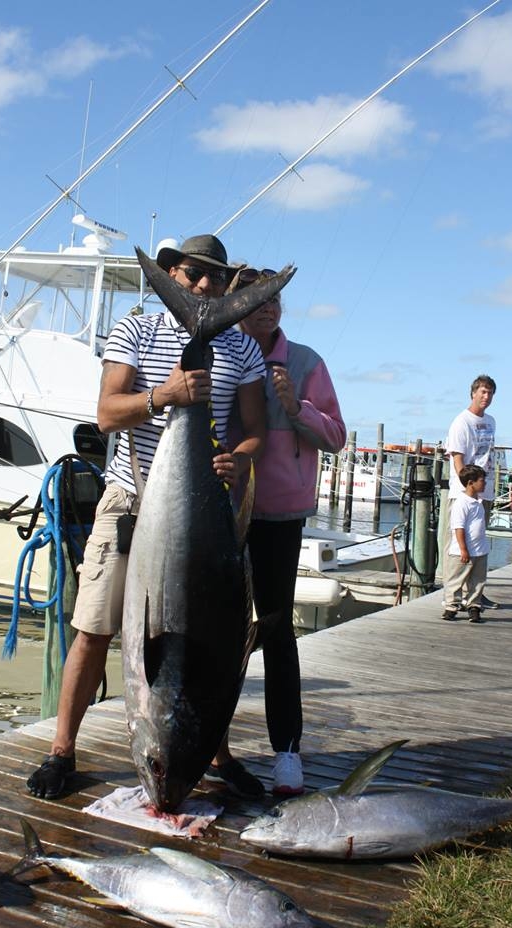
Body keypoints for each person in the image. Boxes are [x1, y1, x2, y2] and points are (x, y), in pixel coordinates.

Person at [27, 234, 267, 800]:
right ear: (172, 275)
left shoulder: (244, 349)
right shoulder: (136, 330)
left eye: (214, 278)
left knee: (214, 640)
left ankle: (214, 753)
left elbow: (256, 431)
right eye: (192, 276)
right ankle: (62, 750)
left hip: (207, 509)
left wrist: (241, 457)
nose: (203, 286)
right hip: (129, 499)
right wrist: (164, 397)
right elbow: (108, 413)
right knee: (93, 628)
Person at [230, 265, 346, 795]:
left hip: (278, 516)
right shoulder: (223, 352)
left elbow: (337, 436)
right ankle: (211, 747)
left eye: (275, 300)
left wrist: (296, 405)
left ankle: (287, 752)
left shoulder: (305, 362)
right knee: (219, 632)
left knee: (277, 629)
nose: (268, 309)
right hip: (222, 514)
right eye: (257, 301)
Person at [445, 374, 498, 609]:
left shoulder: (491, 421)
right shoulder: (461, 422)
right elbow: (458, 459)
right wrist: (468, 489)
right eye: (482, 392)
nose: (486, 397)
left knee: (478, 544)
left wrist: (484, 491)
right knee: (457, 546)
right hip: (464, 494)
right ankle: (452, 597)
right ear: (473, 393)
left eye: (490, 393)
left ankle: (475, 594)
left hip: (484, 493)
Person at [442, 464, 489, 624]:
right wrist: (463, 549)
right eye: (482, 480)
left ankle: (474, 607)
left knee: (478, 581)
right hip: (462, 551)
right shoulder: (462, 503)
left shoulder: (479, 502)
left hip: (480, 550)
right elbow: (458, 527)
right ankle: (451, 607)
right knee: (456, 579)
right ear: (471, 483)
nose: (485, 483)